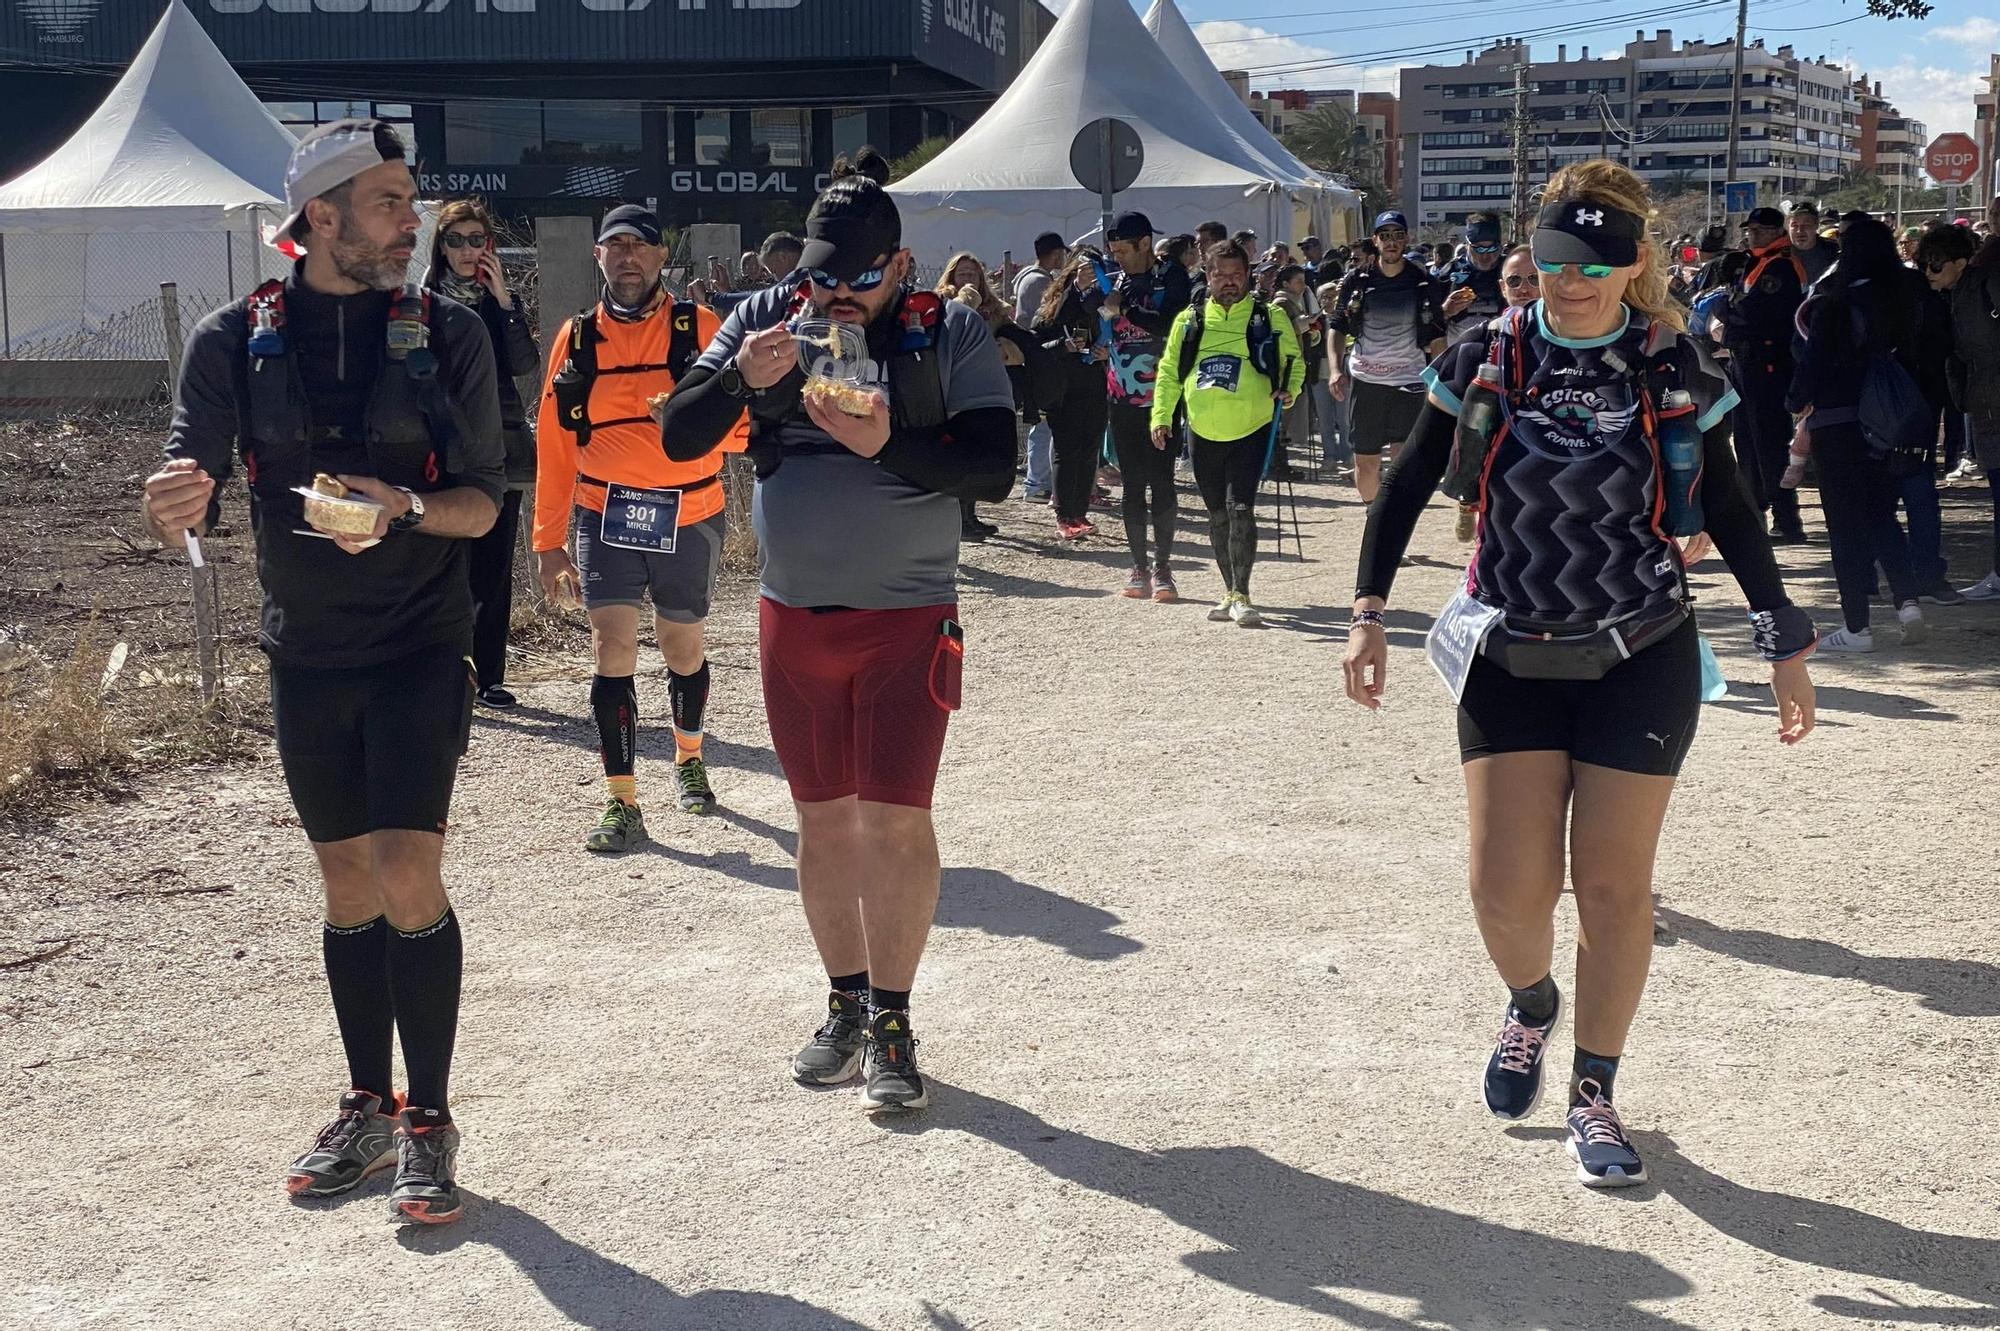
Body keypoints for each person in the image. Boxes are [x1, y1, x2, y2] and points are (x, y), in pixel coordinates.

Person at [1344, 160, 1818, 1190]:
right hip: (1507, 649)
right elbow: (1410, 482)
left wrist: (1781, 634)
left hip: (1637, 649)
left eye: (1595, 261)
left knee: (1609, 887)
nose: (1571, 280)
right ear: (1536, 255)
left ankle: (1593, 1091)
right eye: (1557, 258)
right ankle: (1529, 1004)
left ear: (1632, 263)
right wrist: (1367, 610)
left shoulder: (1670, 363)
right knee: (1502, 889)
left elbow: (1731, 508)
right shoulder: (1483, 356)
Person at [141, 119, 505, 1224]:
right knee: (347, 882)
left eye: (412, 200)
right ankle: (367, 1099)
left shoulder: (448, 331)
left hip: (414, 642)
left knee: (404, 866)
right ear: (323, 217)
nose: (414, 221)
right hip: (305, 651)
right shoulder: (231, 338)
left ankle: (431, 1118)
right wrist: (177, 495)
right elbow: (189, 458)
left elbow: (484, 500)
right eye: (392, 201)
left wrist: (400, 506)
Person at [658, 175, 1015, 1114]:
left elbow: (994, 470)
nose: (837, 296)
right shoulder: (773, 315)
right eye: (825, 276)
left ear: (899, 264)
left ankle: (894, 1019)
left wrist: (888, 444)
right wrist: (744, 378)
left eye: (860, 277)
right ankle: (845, 1001)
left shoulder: (949, 330)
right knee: (820, 820)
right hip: (794, 617)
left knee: (895, 820)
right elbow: (673, 434)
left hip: (907, 619)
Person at [533, 204, 747, 854]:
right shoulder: (576, 338)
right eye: (614, 246)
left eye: (640, 246)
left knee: (682, 647)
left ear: (660, 257)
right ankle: (622, 800)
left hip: (690, 509)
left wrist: (690, 422)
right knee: (612, 649)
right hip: (607, 513)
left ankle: (688, 756)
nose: (627, 256)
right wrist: (547, 540)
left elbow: (740, 427)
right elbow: (556, 442)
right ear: (598, 257)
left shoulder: (700, 327)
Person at [1785, 215, 1933, 651]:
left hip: (1837, 422)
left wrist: (1794, 402)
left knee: (1845, 527)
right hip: (1890, 421)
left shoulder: (1837, 300)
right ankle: (1909, 605)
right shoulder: (1906, 295)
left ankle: (1857, 627)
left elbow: (1812, 364)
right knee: (1883, 515)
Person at [423, 198, 539, 708]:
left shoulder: (498, 302)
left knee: (493, 568)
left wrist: (505, 301)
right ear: (441, 247)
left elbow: (524, 365)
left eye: (478, 240)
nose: (469, 251)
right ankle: (446, 672)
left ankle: (489, 676)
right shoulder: (420, 302)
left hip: (500, 448)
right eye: (457, 240)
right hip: (441, 450)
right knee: (444, 565)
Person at [1151, 240, 1303, 625]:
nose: (1230, 283)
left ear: (1248, 275)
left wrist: (1290, 392)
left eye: (1237, 275)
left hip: (1251, 427)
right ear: (1208, 275)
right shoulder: (1190, 320)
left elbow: (1293, 362)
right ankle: (1227, 590)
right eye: (1221, 275)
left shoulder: (1267, 317)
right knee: (1217, 514)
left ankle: (1243, 594)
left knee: (1241, 509)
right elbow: (1169, 372)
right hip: (1201, 430)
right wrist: (1161, 417)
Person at [1098, 210, 1195, 600]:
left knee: (1163, 480)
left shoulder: (1170, 276)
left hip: (1163, 396)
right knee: (1132, 483)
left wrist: (1125, 310)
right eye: (1113, 251)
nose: (1118, 258)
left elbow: (1174, 326)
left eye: (1123, 250)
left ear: (1144, 244)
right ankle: (1138, 565)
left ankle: (1164, 566)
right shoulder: (1115, 279)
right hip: (1121, 395)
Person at [1328, 210, 1446, 503]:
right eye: (1385, 236)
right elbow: (1337, 327)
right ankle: (1374, 518)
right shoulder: (1358, 280)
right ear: (1375, 240)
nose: (1391, 242)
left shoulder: (1422, 281)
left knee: (1403, 464)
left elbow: (1437, 335)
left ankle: (1391, 527)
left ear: (1406, 239)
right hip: (1367, 381)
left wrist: (1438, 381)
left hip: (1409, 381)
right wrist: (1334, 369)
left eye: (1397, 235)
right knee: (1365, 465)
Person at [1720, 207, 1808, 543]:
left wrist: (1728, 313)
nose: (1751, 234)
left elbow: (1759, 314)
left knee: (1769, 443)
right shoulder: (1755, 261)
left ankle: (1786, 517)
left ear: (1775, 232)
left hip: (1768, 361)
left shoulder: (1780, 266)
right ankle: (1755, 508)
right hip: (1746, 361)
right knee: (1746, 440)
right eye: (1750, 229)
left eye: (1758, 230)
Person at [1922, 221, 2000, 599]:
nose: (1928, 271)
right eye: (1924, 262)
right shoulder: (1951, 297)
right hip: (1984, 404)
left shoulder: (1984, 288)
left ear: (1962, 262)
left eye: (1936, 263)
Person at [1450, 245, 1540, 543]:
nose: (1524, 288)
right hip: (1499, 456)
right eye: (1515, 281)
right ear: (1503, 288)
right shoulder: (1485, 336)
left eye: (1533, 278)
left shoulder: (1581, 337)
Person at [1032, 249, 1113, 542]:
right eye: (1084, 270)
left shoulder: (1102, 301)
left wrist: (1105, 354)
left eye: (1096, 271)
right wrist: (1064, 346)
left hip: (1093, 383)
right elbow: (1038, 340)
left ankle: (1079, 513)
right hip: (1063, 387)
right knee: (1067, 451)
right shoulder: (1057, 301)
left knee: (1089, 449)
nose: (1091, 277)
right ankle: (1064, 515)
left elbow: (1111, 328)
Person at [1014, 231, 1068, 503]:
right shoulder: (1040, 282)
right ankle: (1036, 484)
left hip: (1030, 355)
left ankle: (1038, 482)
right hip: (1039, 356)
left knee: (1042, 422)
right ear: (1055, 253)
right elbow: (1044, 322)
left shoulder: (1025, 278)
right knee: (1044, 422)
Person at [1269, 263, 1315, 476]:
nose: (1303, 285)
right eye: (1298, 281)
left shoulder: (1294, 301)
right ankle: (1277, 464)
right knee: (1281, 419)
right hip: (1285, 365)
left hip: (1296, 360)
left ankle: (1280, 462)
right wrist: (1305, 324)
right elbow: (1283, 331)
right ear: (1286, 283)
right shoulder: (1282, 303)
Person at [1440, 212, 1508, 345]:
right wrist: (1445, 311)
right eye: (1479, 249)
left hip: (1500, 343)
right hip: (1458, 346)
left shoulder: (1510, 270)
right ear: (1467, 246)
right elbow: (1429, 320)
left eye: (1492, 248)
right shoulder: (1450, 272)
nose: (1486, 256)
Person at [1786, 200, 1838, 287]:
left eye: (1806, 225)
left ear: (1816, 226)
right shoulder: (1778, 253)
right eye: (1794, 225)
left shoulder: (1834, 252)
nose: (1800, 231)